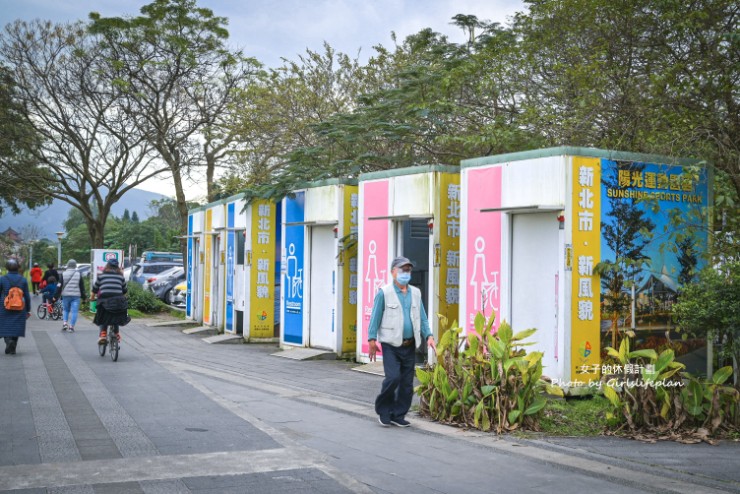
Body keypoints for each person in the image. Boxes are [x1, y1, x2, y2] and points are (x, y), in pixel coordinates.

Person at [368, 256, 436, 427]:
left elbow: (422, 317)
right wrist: (371, 339)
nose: (406, 273)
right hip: (390, 344)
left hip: (410, 343)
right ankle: (384, 410)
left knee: (407, 383)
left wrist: (429, 335)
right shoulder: (384, 293)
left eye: (408, 270)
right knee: (393, 378)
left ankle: (398, 414)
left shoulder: (416, 293)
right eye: (402, 270)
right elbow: (375, 317)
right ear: (393, 272)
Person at [92, 259, 128, 344]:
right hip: (118, 300)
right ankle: (116, 333)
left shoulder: (101, 276)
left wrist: (92, 298)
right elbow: (125, 290)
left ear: (107, 266)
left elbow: (95, 289)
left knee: (103, 314)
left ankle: (103, 334)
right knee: (116, 313)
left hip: (105, 300)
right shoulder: (120, 276)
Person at [0, 259, 32, 355]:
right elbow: (27, 296)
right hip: (19, 306)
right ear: (18, 267)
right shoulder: (23, 280)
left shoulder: (2, 279)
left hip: (4, 306)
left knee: (5, 325)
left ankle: (8, 341)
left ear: (7, 268)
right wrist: (28, 309)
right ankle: (13, 345)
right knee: (17, 326)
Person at [59, 259, 86, 332]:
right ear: (75, 266)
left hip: (66, 295)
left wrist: (55, 296)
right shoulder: (78, 274)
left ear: (67, 265)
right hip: (76, 296)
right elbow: (82, 287)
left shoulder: (63, 274)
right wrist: (84, 297)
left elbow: (59, 286)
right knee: (74, 312)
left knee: (66, 310)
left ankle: (65, 323)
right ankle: (71, 327)